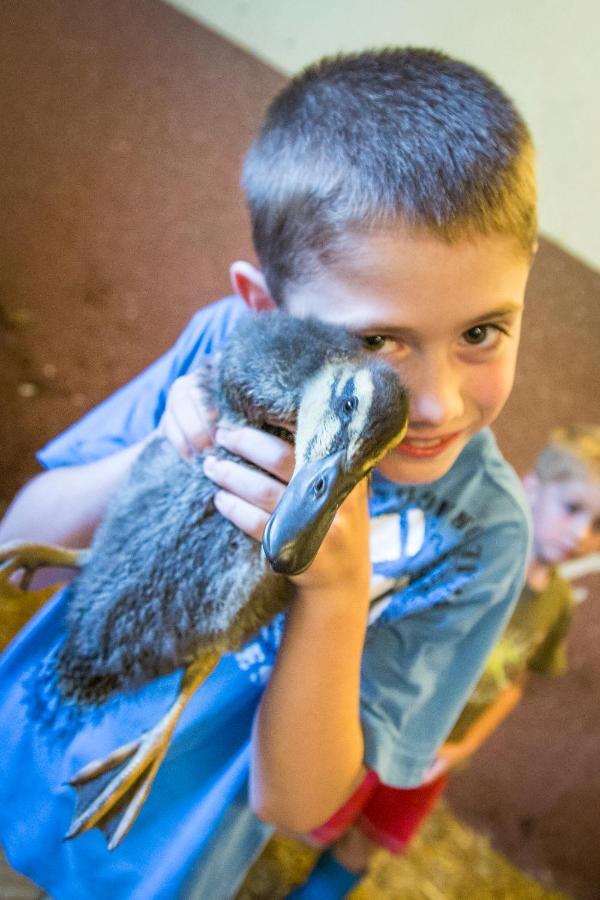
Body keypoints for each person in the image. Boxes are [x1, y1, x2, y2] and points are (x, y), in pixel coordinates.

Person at [0, 48, 537, 898]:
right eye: (375, 341)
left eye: (481, 331)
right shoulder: (225, 347)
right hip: (12, 754)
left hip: (143, 873)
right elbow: (19, 554)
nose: (436, 405)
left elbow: (296, 804)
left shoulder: (480, 534)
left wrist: (336, 593)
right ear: (263, 308)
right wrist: (156, 455)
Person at [287, 425, 600, 898]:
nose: (580, 533)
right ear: (531, 486)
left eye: (598, 526)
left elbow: (514, 684)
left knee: (365, 843)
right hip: (378, 721)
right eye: (573, 508)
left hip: (433, 753)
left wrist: (464, 745)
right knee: (307, 809)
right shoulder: (477, 558)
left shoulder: (557, 602)